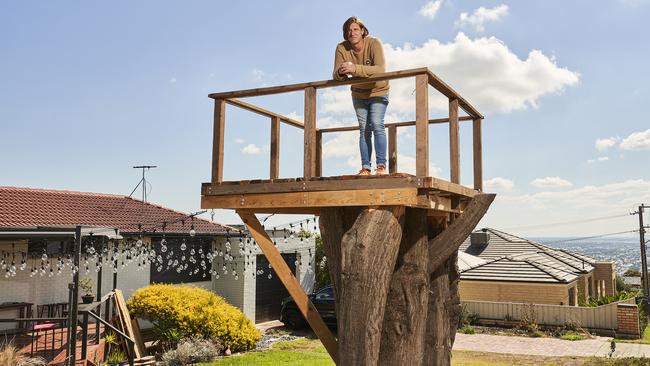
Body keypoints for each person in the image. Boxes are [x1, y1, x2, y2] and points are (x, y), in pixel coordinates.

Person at [333, 16, 389, 176]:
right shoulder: (341, 48)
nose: (352, 33)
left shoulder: (374, 43)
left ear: (363, 31)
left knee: (377, 124)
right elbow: (336, 73)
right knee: (364, 129)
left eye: (356, 29)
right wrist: (341, 72)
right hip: (358, 93)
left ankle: (381, 166)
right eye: (349, 30)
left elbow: (380, 69)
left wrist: (355, 69)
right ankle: (365, 167)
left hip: (378, 90)